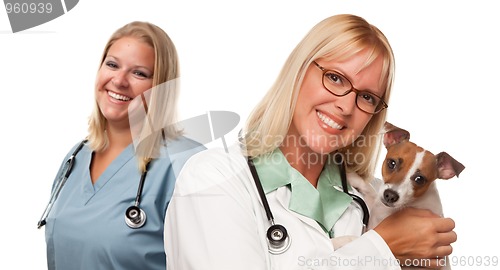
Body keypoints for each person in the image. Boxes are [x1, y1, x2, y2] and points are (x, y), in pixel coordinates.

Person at [164, 14, 456, 269]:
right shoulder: (211, 180)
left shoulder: (372, 200)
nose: (346, 106)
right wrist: (382, 248)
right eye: (336, 78)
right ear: (299, 70)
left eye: (367, 97)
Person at [39, 21, 205, 270]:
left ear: (161, 87)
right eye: (112, 65)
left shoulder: (186, 164)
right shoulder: (76, 157)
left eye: (139, 73)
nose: (119, 80)